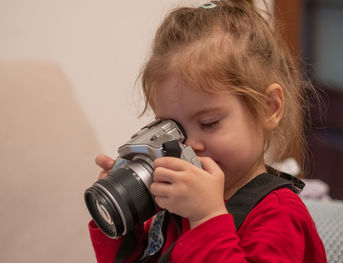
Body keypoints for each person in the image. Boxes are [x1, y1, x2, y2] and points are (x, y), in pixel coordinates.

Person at [88, 0, 326, 262]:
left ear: (269, 108)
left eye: (209, 123)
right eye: (171, 129)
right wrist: (122, 221)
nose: (189, 145)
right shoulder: (178, 201)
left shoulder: (279, 215)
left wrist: (206, 219)